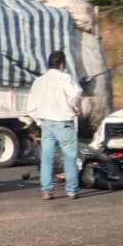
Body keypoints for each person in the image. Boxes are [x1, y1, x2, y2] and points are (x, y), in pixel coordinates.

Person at [26, 51, 82, 201]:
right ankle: (71, 191)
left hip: (46, 124)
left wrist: (39, 121)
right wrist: (74, 108)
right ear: (62, 64)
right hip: (63, 122)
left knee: (47, 158)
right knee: (69, 157)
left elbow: (30, 108)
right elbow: (76, 94)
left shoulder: (38, 81)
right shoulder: (65, 78)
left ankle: (47, 191)